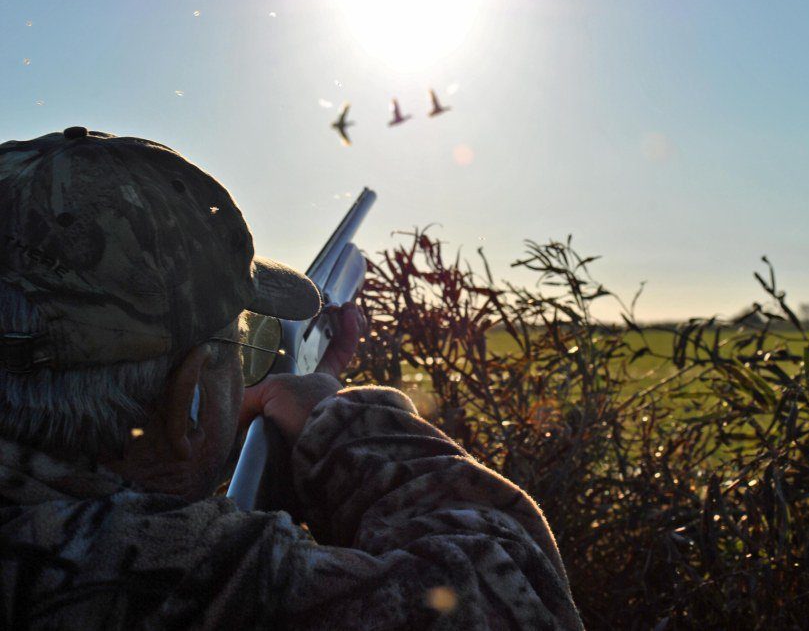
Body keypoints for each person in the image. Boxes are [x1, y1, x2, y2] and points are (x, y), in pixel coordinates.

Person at [0, 127, 583, 629]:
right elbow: (517, 596)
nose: (253, 370)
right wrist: (340, 419)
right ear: (189, 399)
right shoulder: (190, 581)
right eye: (243, 347)